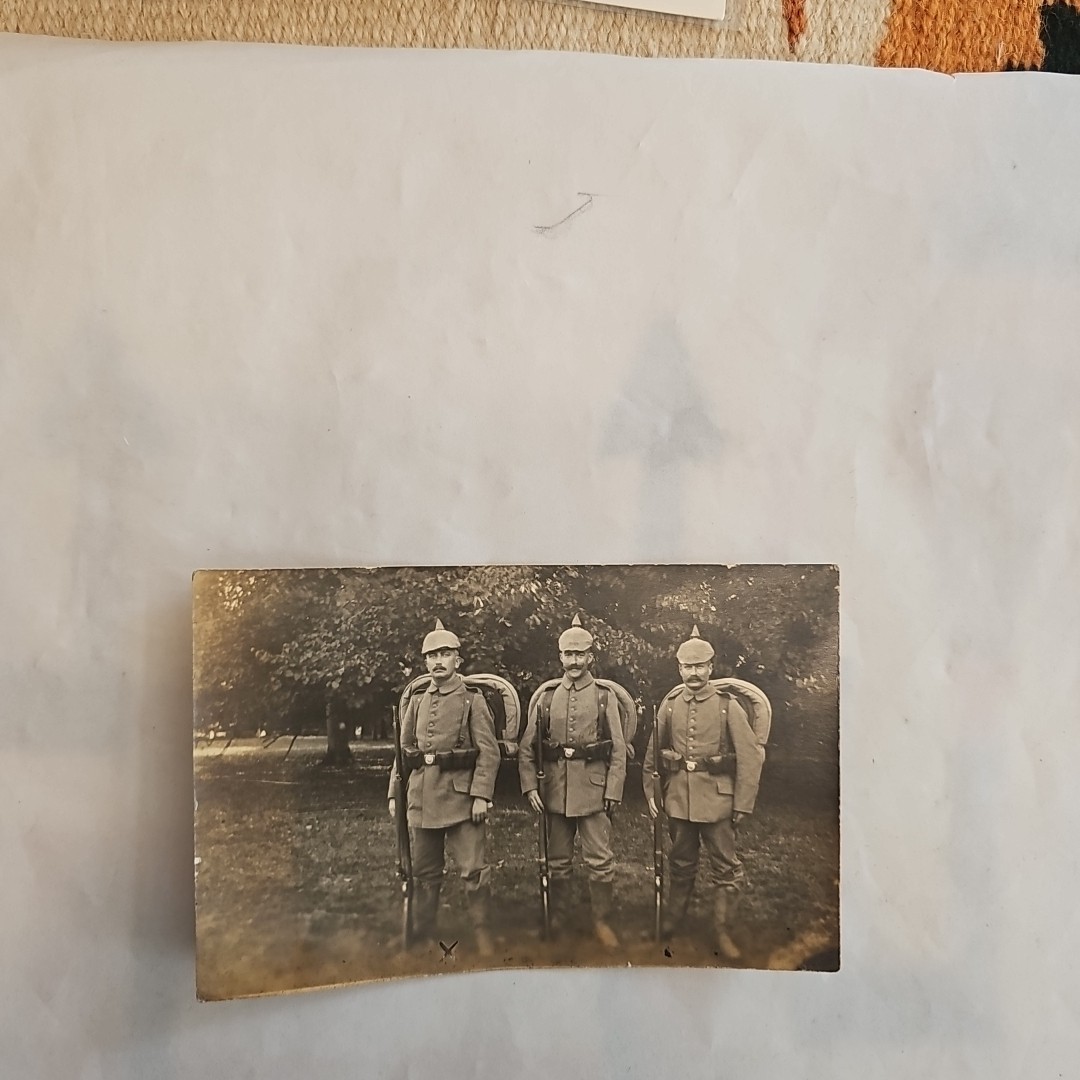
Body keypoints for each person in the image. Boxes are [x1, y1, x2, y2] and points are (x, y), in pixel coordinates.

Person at [644, 626, 764, 960]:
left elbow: (750, 756)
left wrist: (743, 803)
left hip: (718, 801)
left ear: (711, 667)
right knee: (680, 861)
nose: (694, 673)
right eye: (687, 667)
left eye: (700, 666)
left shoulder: (727, 706)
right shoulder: (670, 706)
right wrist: (652, 793)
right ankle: (673, 920)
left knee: (725, 867)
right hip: (679, 799)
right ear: (679, 668)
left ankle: (722, 931)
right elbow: (653, 755)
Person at [388, 619, 501, 955]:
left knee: (473, 870)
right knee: (424, 872)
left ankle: (483, 932)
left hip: (461, 798)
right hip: (422, 796)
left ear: (457, 660)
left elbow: (489, 752)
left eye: (445, 654)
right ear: (425, 662)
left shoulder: (472, 700)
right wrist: (395, 793)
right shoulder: (417, 700)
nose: (438, 661)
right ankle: (424, 932)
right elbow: (403, 751)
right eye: (432, 656)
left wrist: (480, 795)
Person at [518, 615, 627, 947]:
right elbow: (527, 748)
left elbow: (618, 749)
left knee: (600, 860)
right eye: (569, 654)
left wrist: (613, 789)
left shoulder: (604, 696)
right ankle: (560, 919)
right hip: (555, 790)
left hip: (594, 791)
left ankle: (602, 922)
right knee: (557, 860)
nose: (575, 661)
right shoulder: (547, 697)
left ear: (590, 657)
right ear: (560, 657)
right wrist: (530, 786)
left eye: (580, 654)